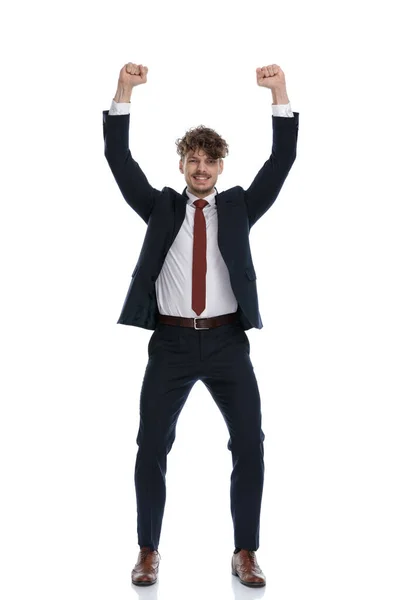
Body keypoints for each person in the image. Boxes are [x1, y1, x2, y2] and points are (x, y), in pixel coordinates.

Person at [102, 62, 299, 587]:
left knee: (250, 445)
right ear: (183, 164)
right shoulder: (160, 207)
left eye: (210, 160)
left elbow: (282, 160)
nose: (201, 168)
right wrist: (124, 92)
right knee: (151, 446)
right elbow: (118, 158)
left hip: (227, 342)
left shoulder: (239, 209)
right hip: (169, 342)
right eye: (193, 159)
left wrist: (278, 93)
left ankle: (246, 551)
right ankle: (148, 550)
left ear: (220, 167)